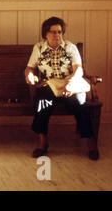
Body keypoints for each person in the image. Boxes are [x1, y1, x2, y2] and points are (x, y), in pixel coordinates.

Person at [24, 17, 99, 160]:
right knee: (42, 103)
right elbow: (29, 68)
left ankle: (91, 143)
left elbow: (79, 70)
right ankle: (42, 143)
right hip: (50, 84)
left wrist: (70, 83)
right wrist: (29, 75)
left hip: (70, 81)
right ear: (45, 34)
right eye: (53, 32)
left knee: (80, 102)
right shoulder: (39, 48)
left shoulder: (70, 47)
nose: (57, 35)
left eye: (59, 32)